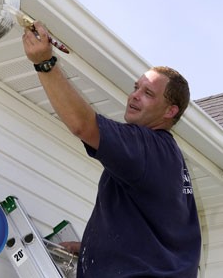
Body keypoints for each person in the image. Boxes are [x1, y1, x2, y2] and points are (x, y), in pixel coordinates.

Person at [23, 22, 201, 278]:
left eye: (148, 93)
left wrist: (44, 63)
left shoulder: (147, 148)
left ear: (170, 111)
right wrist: (93, 249)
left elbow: (84, 125)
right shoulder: (165, 159)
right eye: (135, 87)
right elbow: (156, 238)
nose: (135, 96)